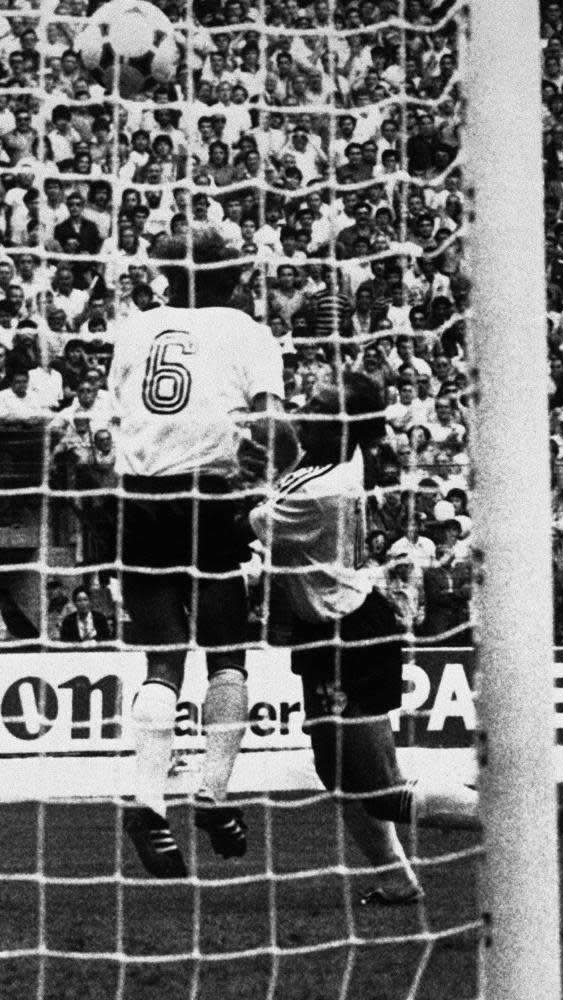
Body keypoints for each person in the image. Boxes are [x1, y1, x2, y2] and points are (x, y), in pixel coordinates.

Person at [249, 372, 481, 906]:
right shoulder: (334, 458)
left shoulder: (321, 489)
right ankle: (397, 879)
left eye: (320, 407)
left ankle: (513, 819)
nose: (305, 411)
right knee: (336, 776)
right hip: (323, 630)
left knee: (379, 788)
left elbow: (245, 521)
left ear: (344, 426)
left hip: (350, 632)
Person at [109, 229, 289, 878]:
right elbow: (271, 427)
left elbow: (119, 413)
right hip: (210, 496)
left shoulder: (135, 328)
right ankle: (213, 795)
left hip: (138, 498)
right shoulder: (247, 332)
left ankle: (149, 803)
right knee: (226, 657)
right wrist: (257, 490)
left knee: (162, 659)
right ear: (233, 279)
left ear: (168, 278)